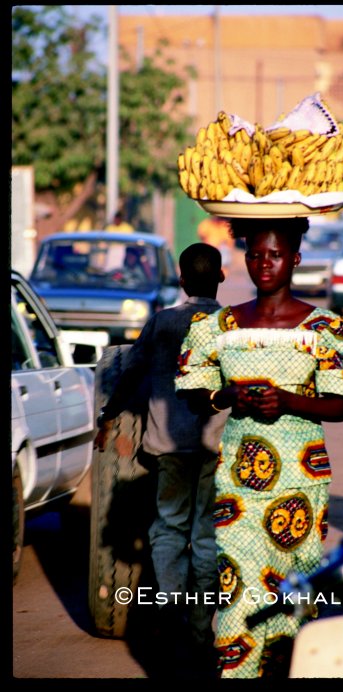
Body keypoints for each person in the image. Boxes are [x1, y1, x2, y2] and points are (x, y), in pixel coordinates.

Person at [175, 216, 343, 679]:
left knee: (295, 598)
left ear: (295, 259)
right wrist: (229, 396)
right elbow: (190, 388)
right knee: (237, 595)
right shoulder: (218, 325)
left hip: (302, 485)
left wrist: (287, 400)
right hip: (239, 489)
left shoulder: (329, 329)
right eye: (256, 254)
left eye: (275, 255)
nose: (264, 264)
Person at [94, 242, 228, 678]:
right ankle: (200, 632)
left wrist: (108, 416)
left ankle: (170, 620)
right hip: (217, 449)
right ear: (222, 278)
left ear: (182, 281)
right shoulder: (232, 324)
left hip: (168, 448)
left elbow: (130, 370)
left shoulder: (163, 322)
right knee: (208, 537)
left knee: (169, 529)